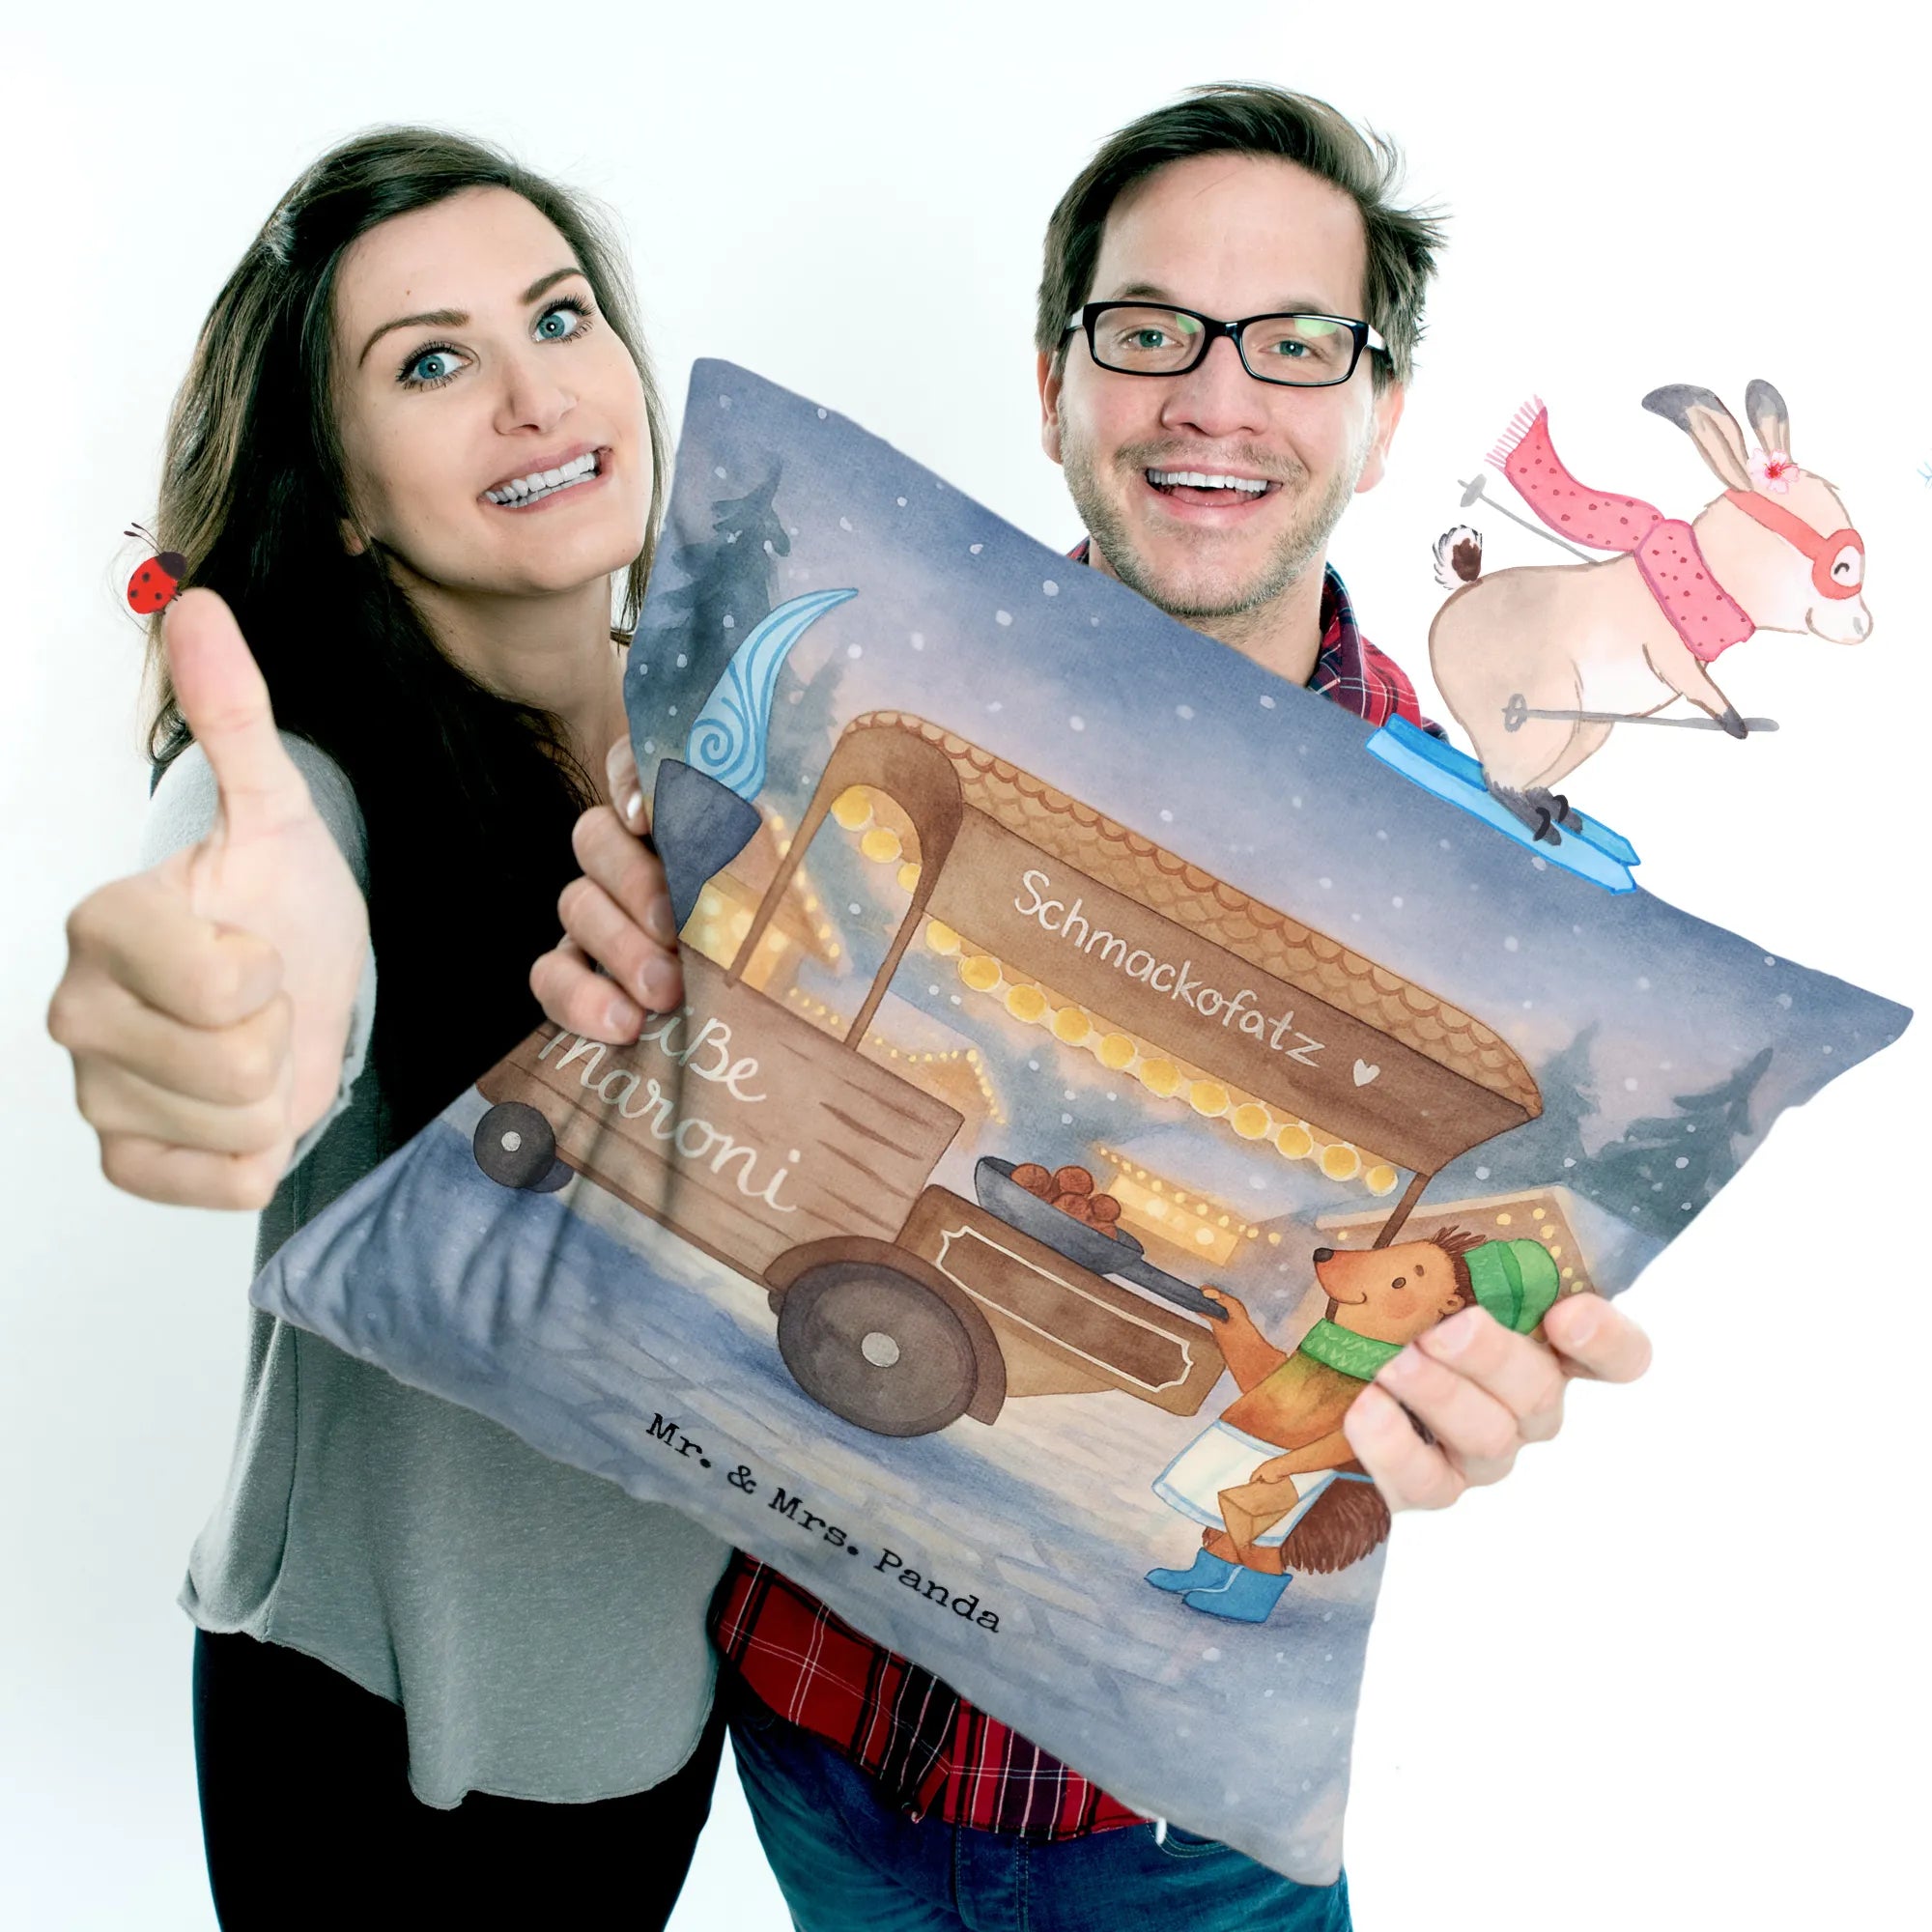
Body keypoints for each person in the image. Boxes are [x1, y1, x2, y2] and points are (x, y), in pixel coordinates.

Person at [536, 84, 1655, 1930]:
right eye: (1151, 333)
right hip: (806, 1741)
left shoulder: (1497, 897)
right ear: (1055, 383)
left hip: (1179, 1833)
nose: (1216, 398)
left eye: (1296, 343)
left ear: (1380, 419)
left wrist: (1471, 1394)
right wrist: (619, 997)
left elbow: (1439, 1318)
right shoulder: (856, 700)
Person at [45, 130, 729, 1929]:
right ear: (342, 496)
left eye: (559, 318)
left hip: (659, 1712)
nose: (532, 394)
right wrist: (222, 994)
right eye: (430, 362)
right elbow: (254, 898)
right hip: (379, 1745)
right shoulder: (310, 782)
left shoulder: (736, 751)